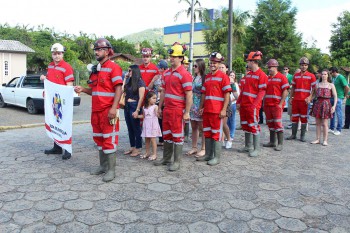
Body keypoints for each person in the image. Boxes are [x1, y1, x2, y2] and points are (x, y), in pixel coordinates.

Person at [74, 38, 123, 182]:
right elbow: (94, 91)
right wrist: (83, 89)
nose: (96, 52)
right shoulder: (96, 69)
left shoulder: (114, 68)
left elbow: (119, 88)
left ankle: (111, 170)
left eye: (99, 49)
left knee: (109, 140)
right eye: (95, 49)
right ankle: (103, 166)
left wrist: (114, 108)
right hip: (96, 111)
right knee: (99, 139)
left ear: (107, 51)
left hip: (108, 110)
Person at [154, 42, 193, 171]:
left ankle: (176, 161)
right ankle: (166, 158)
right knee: (167, 134)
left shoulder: (184, 74)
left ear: (181, 58)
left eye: (174, 57)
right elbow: (163, 91)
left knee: (177, 135)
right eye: (171, 56)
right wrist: (160, 107)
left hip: (177, 110)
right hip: (167, 109)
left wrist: (187, 112)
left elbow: (189, 94)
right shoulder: (166, 73)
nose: (171, 59)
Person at [41, 43, 74, 160]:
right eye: (54, 54)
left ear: (62, 54)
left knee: (64, 124)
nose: (56, 56)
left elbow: (69, 85)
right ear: (52, 55)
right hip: (52, 100)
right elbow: (50, 81)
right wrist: (45, 79)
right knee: (54, 123)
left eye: (59, 53)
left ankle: (67, 149)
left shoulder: (67, 67)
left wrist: (66, 100)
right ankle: (57, 147)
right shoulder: (50, 66)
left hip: (61, 101)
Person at [197, 52, 232, 165]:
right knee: (207, 133)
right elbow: (203, 94)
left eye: (215, 63)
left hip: (217, 111)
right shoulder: (207, 77)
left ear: (219, 63)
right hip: (207, 110)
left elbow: (227, 95)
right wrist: (201, 107)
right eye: (211, 62)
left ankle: (216, 157)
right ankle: (208, 155)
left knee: (216, 133)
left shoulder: (224, 77)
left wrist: (223, 110)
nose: (212, 64)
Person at [237, 51, 268, 157]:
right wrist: (239, 102)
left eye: (248, 62)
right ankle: (248, 146)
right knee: (246, 125)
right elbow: (243, 90)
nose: (247, 64)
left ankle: (256, 149)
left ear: (253, 62)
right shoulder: (249, 75)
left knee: (254, 126)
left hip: (252, 106)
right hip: (245, 105)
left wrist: (254, 105)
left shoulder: (262, 75)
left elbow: (262, 92)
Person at [287, 57, 316, 142]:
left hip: (304, 101)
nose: (303, 66)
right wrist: (291, 97)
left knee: (304, 118)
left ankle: (302, 136)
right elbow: (293, 88)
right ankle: (293, 135)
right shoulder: (295, 76)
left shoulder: (311, 76)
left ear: (307, 66)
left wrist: (310, 97)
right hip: (296, 100)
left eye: (305, 65)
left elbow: (314, 89)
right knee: (294, 118)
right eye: (302, 65)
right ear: (300, 65)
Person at [263, 59, 289, 151]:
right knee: (270, 123)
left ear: (275, 67)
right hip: (268, 105)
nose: (269, 69)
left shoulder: (282, 77)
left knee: (278, 124)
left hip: (276, 105)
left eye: (270, 67)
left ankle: (280, 144)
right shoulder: (267, 78)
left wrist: (281, 103)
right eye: (268, 67)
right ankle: (272, 142)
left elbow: (285, 91)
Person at [123, 65, 146, 157]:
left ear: (135, 71)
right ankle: (132, 146)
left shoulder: (140, 82)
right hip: (127, 106)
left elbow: (141, 98)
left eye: (130, 71)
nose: (129, 72)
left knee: (136, 128)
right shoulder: (130, 81)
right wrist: (125, 79)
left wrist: (137, 110)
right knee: (130, 127)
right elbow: (122, 89)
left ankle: (138, 147)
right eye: (128, 70)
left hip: (134, 106)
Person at [310, 69, 337, 146]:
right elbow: (314, 95)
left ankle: (325, 140)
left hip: (326, 104)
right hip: (318, 103)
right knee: (318, 123)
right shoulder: (317, 84)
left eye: (325, 74)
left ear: (328, 75)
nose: (323, 76)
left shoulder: (331, 85)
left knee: (325, 124)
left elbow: (335, 96)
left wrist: (334, 106)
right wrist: (309, 99)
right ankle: (317, 139)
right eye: (322, 74)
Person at [187, 58, 206, 157]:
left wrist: (202, 107)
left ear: (200, 66)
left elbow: (205, 93)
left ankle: (203, 148)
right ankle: (194, 147)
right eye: (193, 66)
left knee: (202, 127)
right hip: (193, 104)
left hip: (200, 104)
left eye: (195, 66)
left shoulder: (204, 78)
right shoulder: (194, 78)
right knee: (194, 127)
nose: (194, 68)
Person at [139, 91, 162, 160]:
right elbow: (144, 116)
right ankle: (147, 152)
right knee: (147, 139)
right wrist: (137, 116)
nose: (155, 100)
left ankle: (154, 154)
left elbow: (157, 114)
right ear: (148, 99)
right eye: (153, 98)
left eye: (156, 98)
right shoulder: (144, 107)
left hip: (153, 125)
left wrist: (158, 114)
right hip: (146, 125)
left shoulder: (155, 106)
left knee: (153, 139)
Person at [329, 67, 349, 135]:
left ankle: (339, 129)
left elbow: (346, 87)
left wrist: (344, 95)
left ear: (334, 72)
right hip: (332, 97)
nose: (330, 74)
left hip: (339, 97)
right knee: (332, 112)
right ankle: (331, 127)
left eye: (331, 72)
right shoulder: (334, 78)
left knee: (339, 113)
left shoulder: (341, 77)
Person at [154, 60, 169, 146]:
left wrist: (160, 89)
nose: (158, 69)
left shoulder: (166, 75)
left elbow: (164, 89)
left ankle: (165, 140)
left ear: (163, 68)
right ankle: (161, 139)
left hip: (164, 101)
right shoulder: (158, 76)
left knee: (163, 121)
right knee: (159, 121)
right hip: (157, 100)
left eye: (159, 68)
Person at [218, 63, 233, 149]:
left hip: (226, 102)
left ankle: (229, 139)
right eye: (219, 67)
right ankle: (221, 139)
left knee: (223, 123)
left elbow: (233, 91)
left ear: (226, 69)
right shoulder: (217, 77)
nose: (221, 69)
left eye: (222, 67)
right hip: (218, 101)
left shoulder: (228, 79)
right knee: (218, 122)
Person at [227, 71, 240, 141]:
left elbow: (237, 95)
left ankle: (231, 135)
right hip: (227, 104)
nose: (231, 77)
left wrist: (231, 100)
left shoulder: (235, 85)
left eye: (233, 75)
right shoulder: (226, 83)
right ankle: (227, 134)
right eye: (230, 75)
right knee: (227, 121)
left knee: (232, 120)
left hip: (232, 104)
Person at [183, 56, 192, 142]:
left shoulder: (188, 74)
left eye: (187, 64)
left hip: (187, 99)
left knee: (186, 117)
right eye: (185, 64)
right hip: (181, 100)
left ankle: (186, 134)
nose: (187, 65)